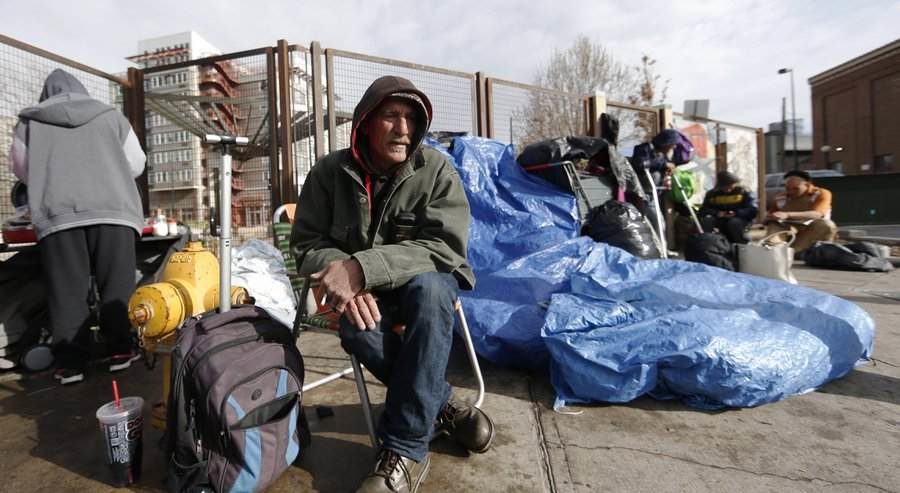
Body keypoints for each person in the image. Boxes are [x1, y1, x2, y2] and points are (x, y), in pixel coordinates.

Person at [290, 75, 494, 493]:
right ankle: (445, 406)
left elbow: (445, 247)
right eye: (391, 116)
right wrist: (345, 273)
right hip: (369, 294)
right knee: (356, 327)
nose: (404, 129)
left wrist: (363, 267)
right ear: (365, 122)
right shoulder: (328, 173)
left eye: (411, 119)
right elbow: (308, 243)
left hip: (424, 286)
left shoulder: (435, 169)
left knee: (431, 290)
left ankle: (404, 447)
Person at [9, 69, 146, 385]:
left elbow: (22, 168)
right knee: (117, 285)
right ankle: (121, 351)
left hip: (60, 216)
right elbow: (136, 163)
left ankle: (70, 364)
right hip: (114, 211)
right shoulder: (111, 116)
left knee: (66, 290)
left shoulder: (30, 122)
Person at [766, 170, 838, 252]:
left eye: (796, 189)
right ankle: (774, 249)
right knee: (774, 224)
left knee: (826, 225)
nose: (791, 192)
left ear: (807, 185)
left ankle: (800, 252)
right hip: (790, 233)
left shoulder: (820, 194)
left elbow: (818, 214)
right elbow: (771, 215)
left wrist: (788, 214)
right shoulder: (781, 198)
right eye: (787, 188)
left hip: (811, 233)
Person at [698, 171, 759, 244]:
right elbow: (703, 210)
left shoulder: (744, 191)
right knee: (706, 221)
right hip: (720, 219)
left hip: (741, 220)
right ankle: (709, 244)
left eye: (730, 187)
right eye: (724, 187)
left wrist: (736, 213)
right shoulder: (712, 194)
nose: (728, 190)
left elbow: (753, 209)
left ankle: (741, 245)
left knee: (734, 222)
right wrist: (717, 213)